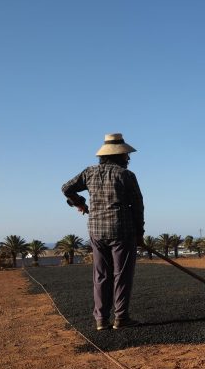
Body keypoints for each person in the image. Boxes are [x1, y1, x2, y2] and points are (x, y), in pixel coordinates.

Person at [62, 133, 145, 330]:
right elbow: (138, 206)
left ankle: (101, 320)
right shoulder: (126, 175)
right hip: (121, 230)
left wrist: (79, 203)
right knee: (121, 275)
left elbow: (66, 188)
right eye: (126, 155)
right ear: (119, 156)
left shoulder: (89, 173)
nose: (128, 158)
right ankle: (121, 318)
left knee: (101, 275)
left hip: (96, 231)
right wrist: (139, 233)